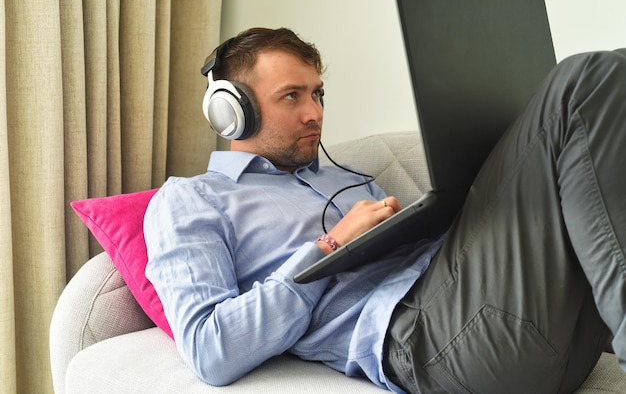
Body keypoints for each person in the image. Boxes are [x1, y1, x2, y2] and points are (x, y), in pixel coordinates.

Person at [144, 27, 626, 393]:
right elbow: (211, 350)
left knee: (617, 73)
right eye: (291, 96)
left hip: (544, 333)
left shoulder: (345, 177)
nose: (314, 112)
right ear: (231, 111)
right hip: (428, 341)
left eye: (317, 93)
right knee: (584, 80)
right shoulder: (190, 200)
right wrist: (331, 245)